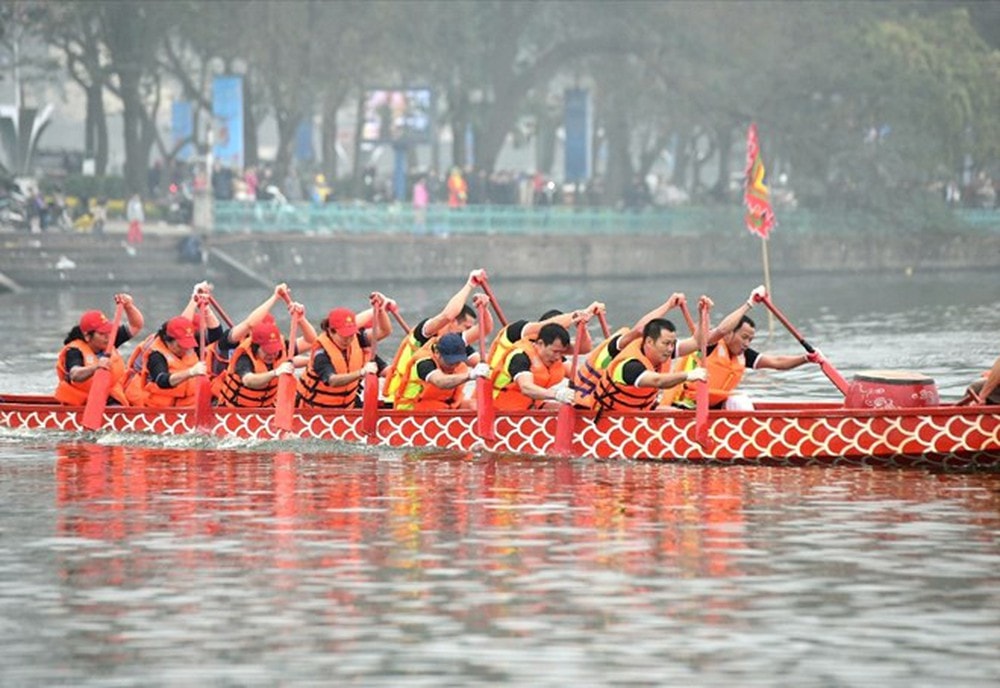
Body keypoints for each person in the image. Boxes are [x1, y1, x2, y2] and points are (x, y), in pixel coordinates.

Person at [670, 290, 822, 411]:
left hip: (712, 407)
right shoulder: (710, 344)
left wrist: (806, 358)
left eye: (750, 339)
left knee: (739, 401)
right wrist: (750, 303)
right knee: (739, 399)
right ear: (730, 334)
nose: (746, 343)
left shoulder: (743, 355)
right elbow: (722, 329)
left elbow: (777, 362)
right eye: (744, 337)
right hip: (684, 406)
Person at [382, 270, 493, 402]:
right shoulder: (425, 333)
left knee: (473, 404)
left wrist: (485, 309)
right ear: (453, 322)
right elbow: (447, 315)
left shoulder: (454, 343)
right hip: (400, 401)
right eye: (466, 327)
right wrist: (470, 284)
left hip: (433, 402)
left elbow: (484, 329)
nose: (468, 331)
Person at [296, 294, 394, 409]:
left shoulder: (356, 340)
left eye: (351, 335)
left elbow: (384, 331)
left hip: (347, 408)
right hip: (315, 411)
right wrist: (361, 373)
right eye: (344, 336)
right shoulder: (321, 352)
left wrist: (380, 310)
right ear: (331, 331)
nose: (348, 339)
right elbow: (332, 380)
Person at [591, 318, 708, 414]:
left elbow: (697, 342)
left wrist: (703, 314)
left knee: (676, 412)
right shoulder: (630, 366)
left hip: (637, 414)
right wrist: (688, 375)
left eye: (672, 344)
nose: (670, 349)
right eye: (666, 343)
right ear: (649, 342)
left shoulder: (661, 352)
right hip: (609, 419)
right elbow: (658, 381)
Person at [213, 303, 316, 408]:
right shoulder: (244, 355)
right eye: (268, 351)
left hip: (265, 408)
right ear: (256, 346)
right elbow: (249, 381)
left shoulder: (281, 345)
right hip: (236, 410)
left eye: (275, 350)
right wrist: (275, 373)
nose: (272, 355)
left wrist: (301, 319)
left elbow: (311, 342)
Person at [54, 294, 145, 406]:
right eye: (102, 333)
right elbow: (75, 375)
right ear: (87, 336)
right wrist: (96, 367)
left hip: (110, 398)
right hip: (83, 405)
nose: (108, 336)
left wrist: (129, 306)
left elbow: (136, 325)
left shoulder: (110, 340)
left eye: (108, 331)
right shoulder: (74, 351)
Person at [393, 333, 491, 411]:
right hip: (411, 413)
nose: (455, 365)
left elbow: (485, 328)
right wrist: (470, 375)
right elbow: (440, 381)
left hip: (442, 407)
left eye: (458, 361)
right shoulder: (424, 363)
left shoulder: (459, 362)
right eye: (450, 362)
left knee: (474, 405)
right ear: (437, 353)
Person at [490, 322, 576, 411]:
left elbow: (579, 376)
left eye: (561, 353)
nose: (558, 357)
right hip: (499, 412)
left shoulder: (554, 358)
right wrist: (557, 394)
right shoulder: (520, 356)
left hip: (528, 408)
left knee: (572, 409)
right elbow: (526, 387)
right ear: (540, 343)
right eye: (555, 351)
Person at [126, 315, 205, 408]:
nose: (185, 349)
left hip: (186, 409)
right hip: (155, 410)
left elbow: (216, 335)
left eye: (187, 345)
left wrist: (208, 312)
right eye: (180, 346)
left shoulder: (190, 347)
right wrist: (191, 372)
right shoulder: (156, 355)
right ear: (168, 341)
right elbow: (162, 380)